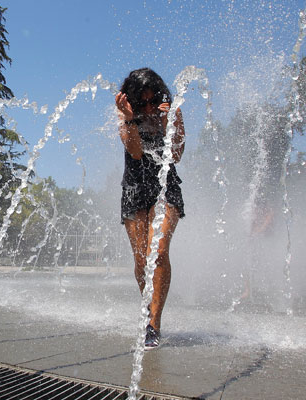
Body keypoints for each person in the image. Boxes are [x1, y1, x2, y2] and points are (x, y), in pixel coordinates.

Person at [115, 68, 186, 349]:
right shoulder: (124, 114)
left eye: (151, 101)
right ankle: (148, 306)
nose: (147, 108)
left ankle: (154, 322)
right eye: (140, 102)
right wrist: (131, 120)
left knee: (157, 251)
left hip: (166, 187)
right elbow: (134, 151)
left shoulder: (170, 112)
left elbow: (176, 155)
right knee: (141, 259)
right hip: (134, 188)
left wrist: (171, 123)